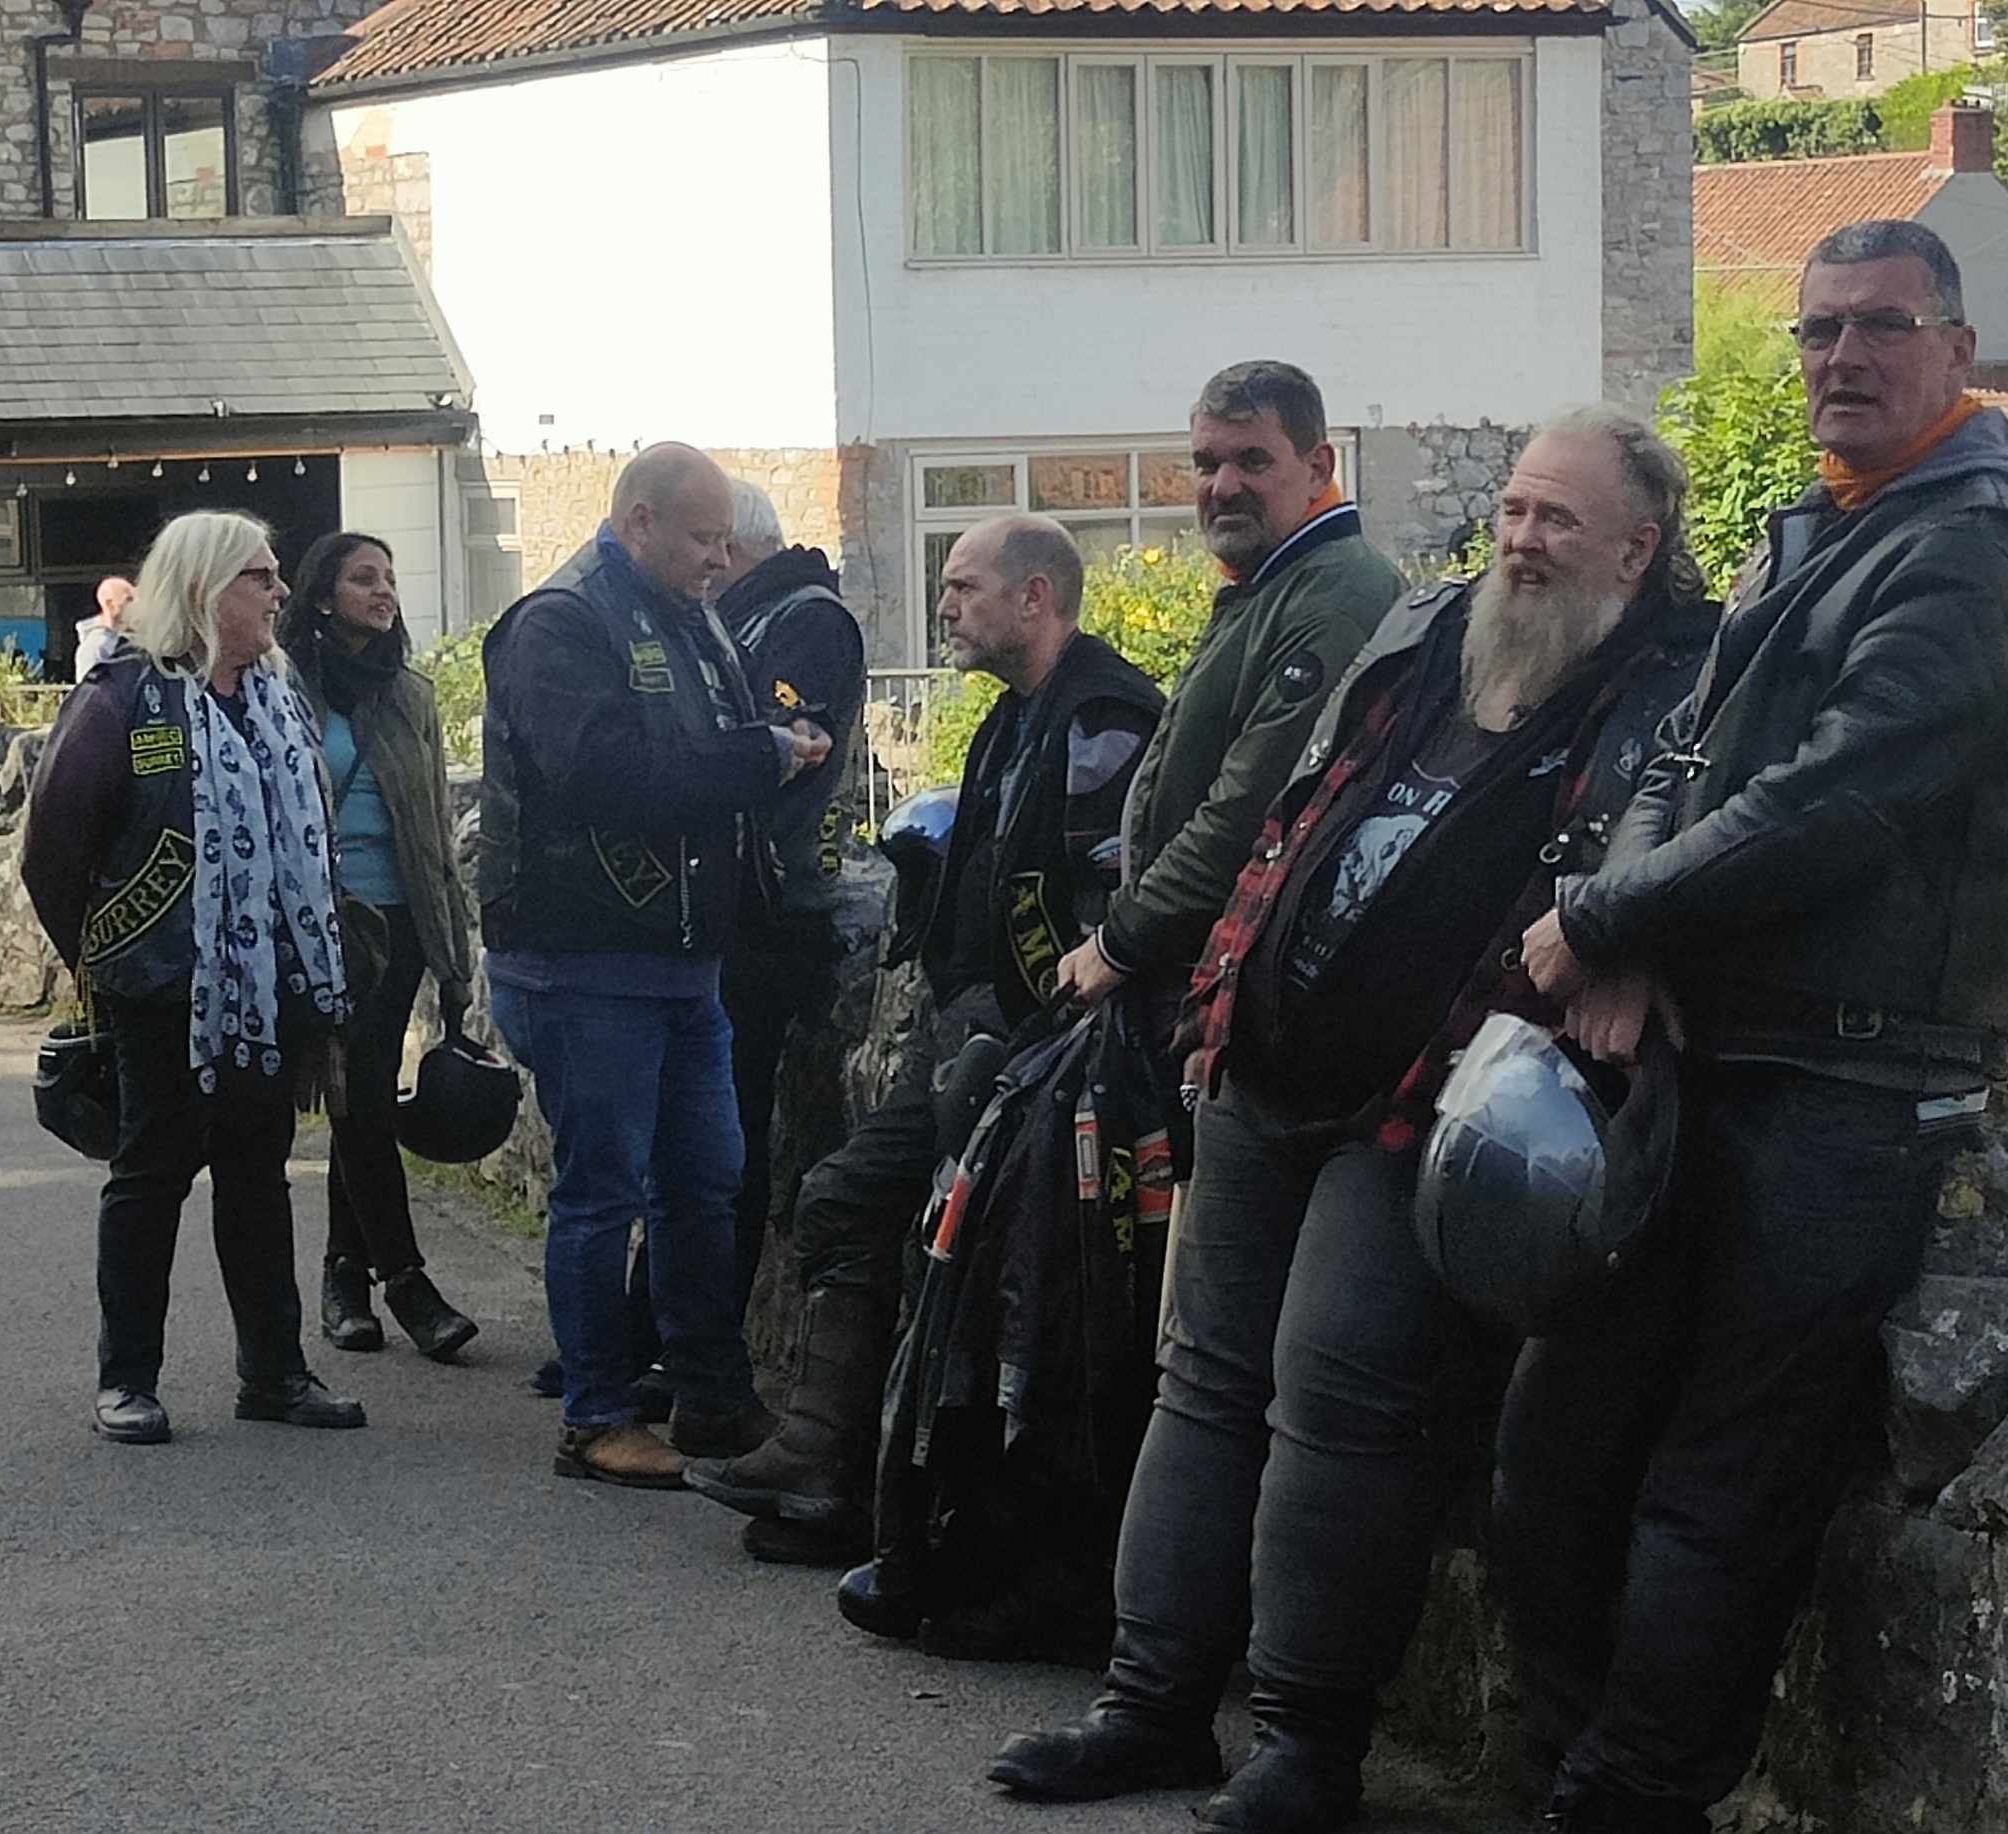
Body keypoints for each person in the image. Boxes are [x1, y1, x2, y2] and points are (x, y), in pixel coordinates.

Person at [984, 412, 1720, 1831]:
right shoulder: (1436, 629)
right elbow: (1296, 809)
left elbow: (1667, 839)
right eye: (1514, 510)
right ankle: (1151, 1706)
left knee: (1336, 1391)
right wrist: (1217, 996)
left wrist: (1630, 942)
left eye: (1558, 521)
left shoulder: (1673, 679)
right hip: (1265, 1062)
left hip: (1432, 1100)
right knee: (1202, 1376)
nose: (1522, 540)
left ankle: (1308, 1745)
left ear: (1638, 545)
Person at [1501, 220, 2008, 1834]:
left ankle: (1620, 1801)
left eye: (1881, 328)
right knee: (1556, 1446)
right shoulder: (1829, 523)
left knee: (1718, 1487)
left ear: (1958, 352)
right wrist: (1624, 936)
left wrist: (1617, 919)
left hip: (1859, 1080)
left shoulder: (1977, 543)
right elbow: (1682, 754)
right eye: (1819, 328)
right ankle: (1581, 1771)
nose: (1842, 356)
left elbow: (1839, 799)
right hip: (1723, 1052)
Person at [687, 512, 1161, 1572]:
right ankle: (826, 1465)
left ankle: (895, 1497)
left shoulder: (1102, 723)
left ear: (1033, 597)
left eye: (964, 586)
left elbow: (1109, 911)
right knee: (849, 1199)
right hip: (976, 1035)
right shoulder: (1016, 718)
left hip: (1046, 1059)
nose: (944, 606)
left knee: (913, 1229)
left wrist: (1025, 1050)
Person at [478, 442, 832, 1488]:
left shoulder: (685, 614)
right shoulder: (562, 621)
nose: (721, 557)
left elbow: (693, 747)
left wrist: (759, 742)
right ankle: (593, 1415)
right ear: (637, 521)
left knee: (704, 1183)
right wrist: (761, 754)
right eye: (701, 537)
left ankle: (712, 1399)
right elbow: (600, 775)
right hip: (585, 959)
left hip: (681, 961)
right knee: (601, 1194)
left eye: (727, 538)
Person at [20, 511, 367, 1445]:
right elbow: (54, 849)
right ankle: (126, 1378)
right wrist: (108, 965)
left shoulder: (276, 698)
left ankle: (275, 1373)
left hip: (267, 990)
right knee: (150, 1181)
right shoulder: (121, 698)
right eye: (260, 576)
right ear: (207, 590)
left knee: (258, 1179)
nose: (280, 592)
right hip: (162, 992)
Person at [1054, 362, 1401, 1024]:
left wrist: (1121, 941)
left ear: (1319, 467)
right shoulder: (1271, 582)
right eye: (1206, 463)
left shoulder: (1336, 596)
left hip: (1252, 996)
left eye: (1252, 461)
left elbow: (1250, 810)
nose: (1223, 486)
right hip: (1200, 974)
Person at [284, 530, 484, 1364]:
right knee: (360, 1090)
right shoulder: (285, 687)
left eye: (390, 578)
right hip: (325, 920)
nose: (384, 590)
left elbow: (436, 824)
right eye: (364, 578)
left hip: (397, 923)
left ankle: (342, 1277)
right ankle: (405, 1281)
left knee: (358, 1092)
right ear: (323, 595)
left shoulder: (411, 693)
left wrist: (452, 952)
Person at [710, 477, 867, 1293]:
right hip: (735, 900)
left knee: (726, 1132)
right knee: (701, 1134)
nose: (700, 567)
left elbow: (798, 748)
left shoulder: (805, 618)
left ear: (735, 544)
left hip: (772, 907)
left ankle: (695, 1347)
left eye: (708, 548)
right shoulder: (747, 612)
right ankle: (656, 1328)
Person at [74, 575, 133, 681]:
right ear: (110, 604)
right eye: (129, 600)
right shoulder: (96, 647)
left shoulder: (129, 641)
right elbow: (90, 693)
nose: (135, 606)